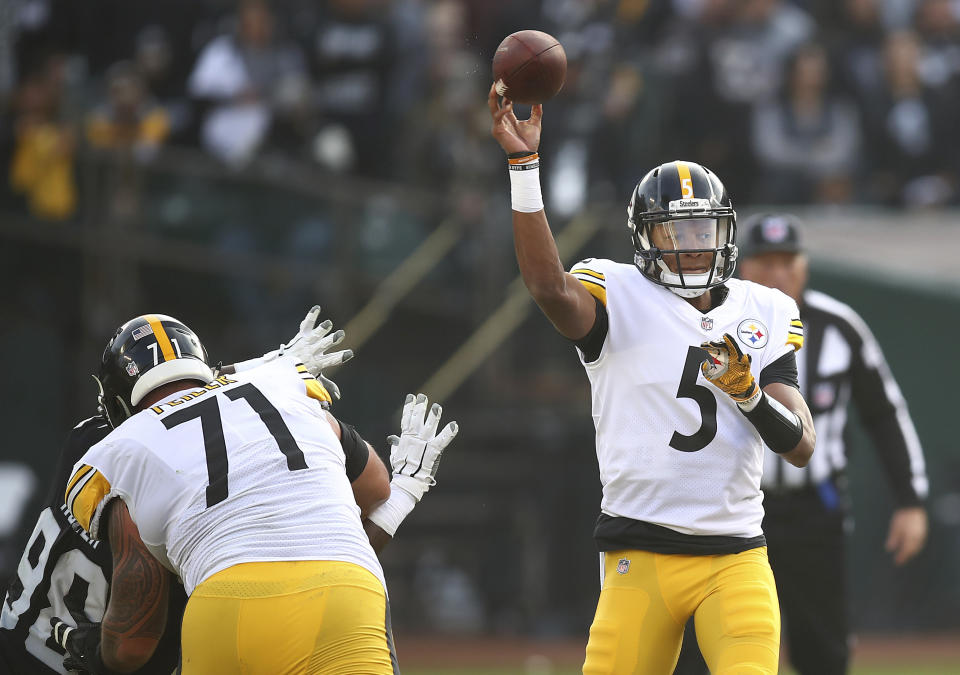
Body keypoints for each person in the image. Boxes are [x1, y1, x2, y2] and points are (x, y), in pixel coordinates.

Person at [488, 86, 816, 674]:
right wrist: (524, 168)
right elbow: (546, 287)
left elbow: (800, 445)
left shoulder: (764, 308)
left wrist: (750, 396)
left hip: (736, 555)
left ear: (725, 233)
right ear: (646, 237)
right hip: (639, 551)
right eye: (675, 233)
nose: (692, 248)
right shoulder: (617, 293)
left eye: (702, 231)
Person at [47, 311, 457, 674]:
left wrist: (100, 653)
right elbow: (375, 487)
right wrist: (402, 496)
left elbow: (133, 642)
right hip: (341, 598)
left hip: (222, 613)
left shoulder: (121, 450)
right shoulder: (281, 385)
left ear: (116, 405)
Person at [0, 307, 353, 674]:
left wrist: (256, 369)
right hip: (104, 652)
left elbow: (177, 411)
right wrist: (265, 375)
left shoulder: (91, 444)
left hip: (21, 641)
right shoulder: (161, 468)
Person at [676, 213, 928, 675]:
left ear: (805, 265)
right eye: (765, 261)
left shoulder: (840, 326)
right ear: (740, 264)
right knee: (707, 647)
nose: (778, 273)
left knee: (823, 649)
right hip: (726, 508)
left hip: (813, 508)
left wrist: (910, 499)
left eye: (787, 260)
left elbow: (885, 413)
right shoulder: (706, 322)